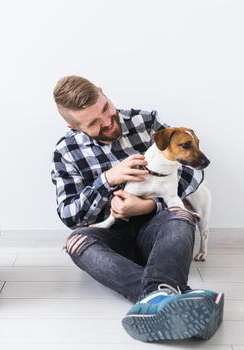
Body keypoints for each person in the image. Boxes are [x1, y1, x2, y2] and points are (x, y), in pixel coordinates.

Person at [50, 75, 224, 341]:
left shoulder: (147, 123)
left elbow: (192, 177)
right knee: (76, 241)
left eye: (106, 108)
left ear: (102, 91)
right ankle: (165, 295)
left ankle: (156, 299)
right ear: (73, 126)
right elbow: (70, 215)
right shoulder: (66, 152)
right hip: (112, 238)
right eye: (94, 123)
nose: (107, 122)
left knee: (181, 215)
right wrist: (107, 180)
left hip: (159, 232)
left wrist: (147, 206)